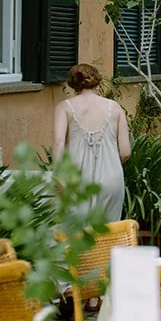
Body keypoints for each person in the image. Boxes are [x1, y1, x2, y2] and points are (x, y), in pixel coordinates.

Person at [52, 63, 132, 221]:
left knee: (79, 237)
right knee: (110, 233)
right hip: (111, 178)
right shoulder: (115, 108)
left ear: (73, 83)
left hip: (77, 179)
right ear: (97, 81)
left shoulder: (65, 108)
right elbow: (125, 151)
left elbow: (58, 143)